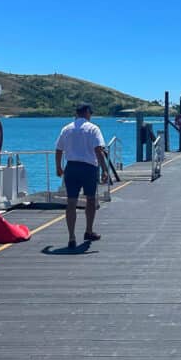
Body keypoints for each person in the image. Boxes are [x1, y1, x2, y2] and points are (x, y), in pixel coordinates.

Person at [55, 102, 109, 250]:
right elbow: (98, 150)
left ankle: (71, 237)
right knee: (91, 199)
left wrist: (58, 167)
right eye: (90, 112)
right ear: (86, 112)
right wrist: (104, 169)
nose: (91, 115)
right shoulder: (93, 129)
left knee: (71, 202)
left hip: (71, 167)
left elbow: (59, 149)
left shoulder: (66, 129)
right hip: (88, 168)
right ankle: (88, 231)